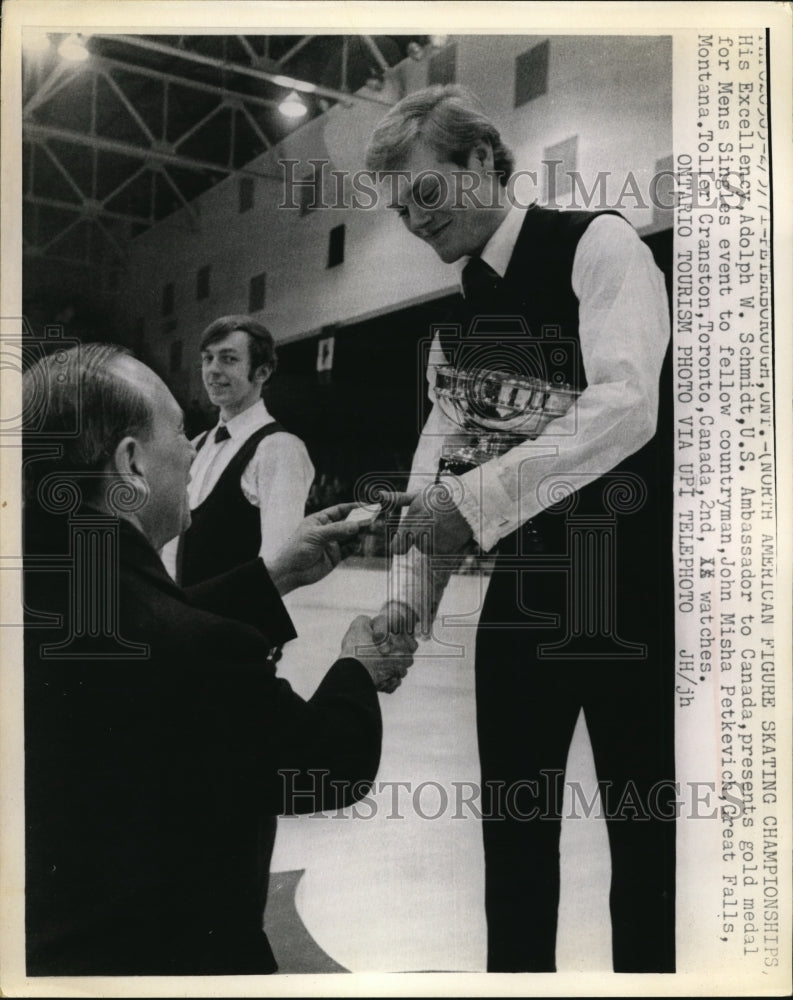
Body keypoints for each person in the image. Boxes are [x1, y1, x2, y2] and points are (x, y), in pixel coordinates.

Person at [365, 85, 675, 973]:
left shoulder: (599, 244)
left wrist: (472, 504)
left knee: (642, 848)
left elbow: (627, 408)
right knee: (514, 846)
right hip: (524, 604)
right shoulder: (454, 320)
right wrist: (404, 610)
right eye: (399, 210)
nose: (415, 222)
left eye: (427, 194)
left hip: (626, 597)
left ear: (483, 164)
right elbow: (438, 467)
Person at [22, 342, 415, 976]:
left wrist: (271, 577)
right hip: (171, 958)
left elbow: (144, 629)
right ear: (131, 465)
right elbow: (327, 764)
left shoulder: (50, 585)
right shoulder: (198, 652)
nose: (189, 450)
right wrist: (357, 667)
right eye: (178, 434)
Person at [163, 315, 315, 586]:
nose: (212, 370)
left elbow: (277, 566)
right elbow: (173, 548)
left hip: (237, 624)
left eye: (228, 359)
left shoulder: (279, 448)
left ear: (263, 372)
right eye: (208, 358)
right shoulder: (197, 444)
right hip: (186, 619)